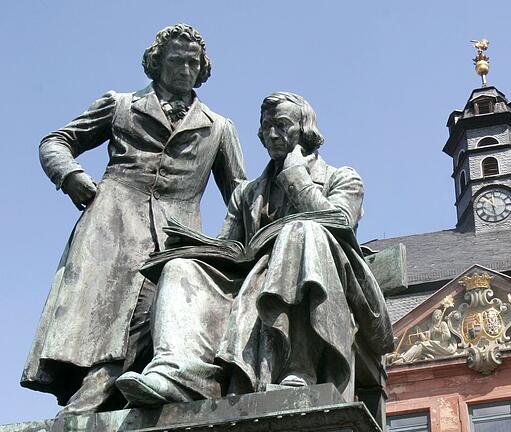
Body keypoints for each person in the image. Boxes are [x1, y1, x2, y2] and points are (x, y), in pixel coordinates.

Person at [22, 24, 247, 416]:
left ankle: (91, 401)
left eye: (193, 62)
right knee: (100, 319)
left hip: (177, 234)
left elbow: (241, 196)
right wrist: (71, 176)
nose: (185, 68)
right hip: (110, 225)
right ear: (157, 63)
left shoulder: (220, 128)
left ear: (202, 67)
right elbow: (56, 141)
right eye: (176, 60)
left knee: (150, 311)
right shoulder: (120, 104)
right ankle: (95, 400)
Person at [115, 92, 394, 406]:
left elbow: (340, 222)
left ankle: (299, 366)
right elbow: (228, 248)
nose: (272, 134)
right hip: (251, 281)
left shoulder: (342, 177)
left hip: (326, 281)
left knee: (300, 230)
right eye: (266, 127)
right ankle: (177, 373)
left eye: (282, 125)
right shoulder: (247, 193)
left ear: (304, 130)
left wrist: (297, 179)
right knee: (181, 267)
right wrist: (195, 248)